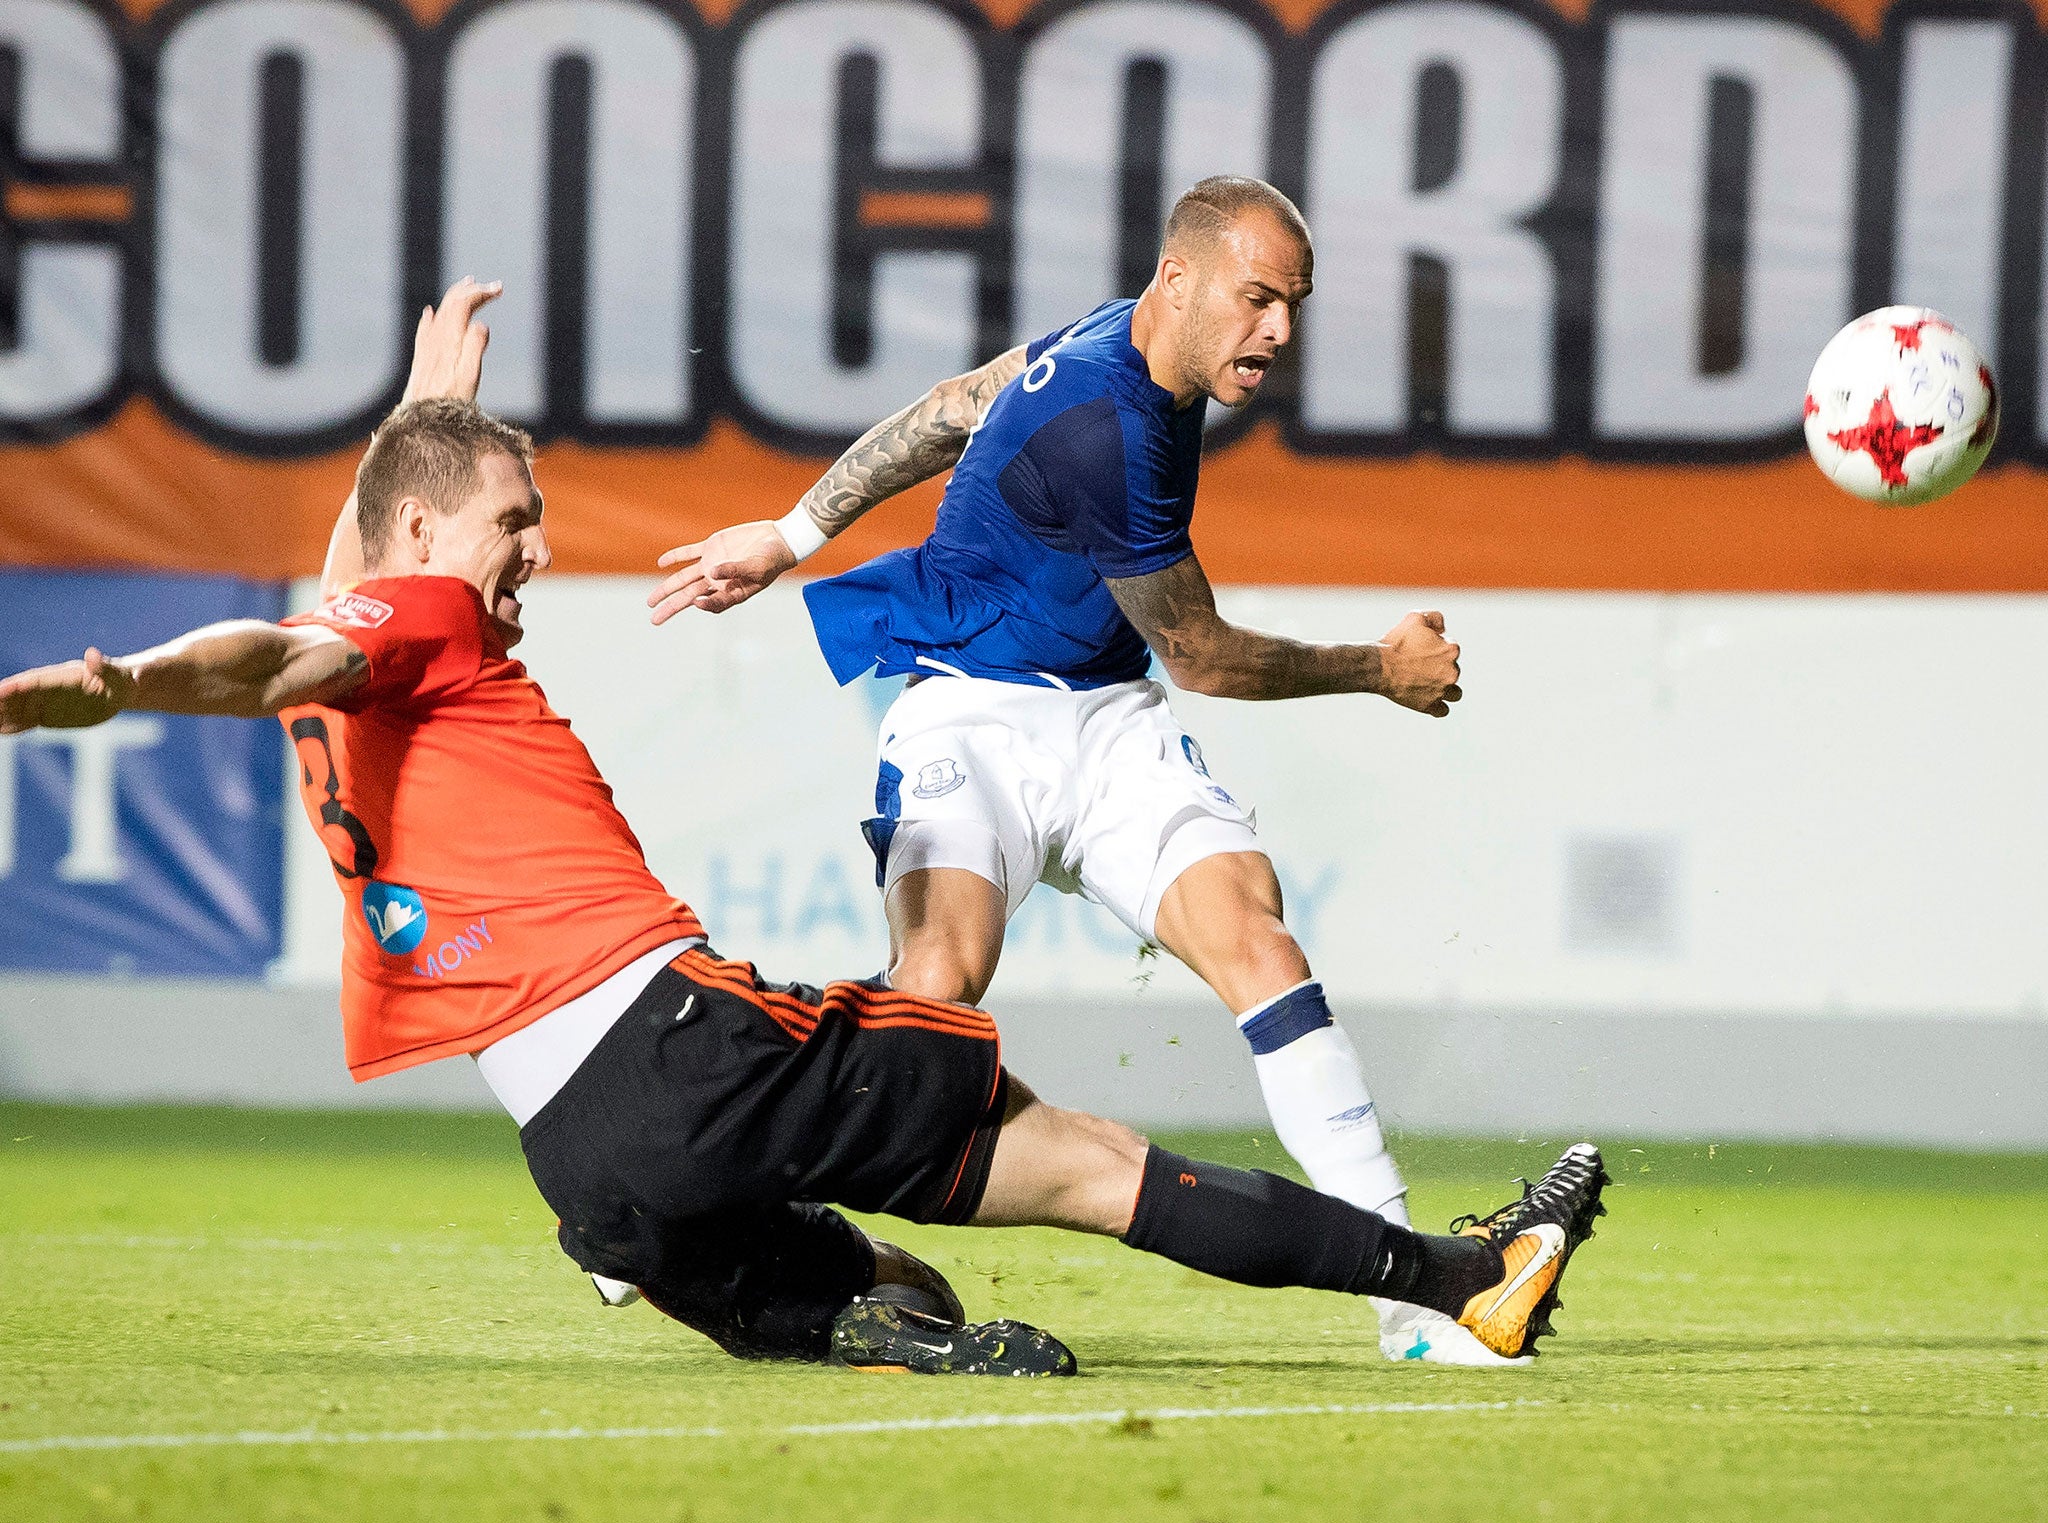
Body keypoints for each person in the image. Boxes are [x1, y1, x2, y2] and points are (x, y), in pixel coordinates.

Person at [0, 280, 1610, 1375]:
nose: (536, 554)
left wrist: (414, 415)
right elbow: (273, 645)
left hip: (581, 1164)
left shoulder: (358, 655)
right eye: (512, 521)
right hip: (681, 1048)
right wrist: (117, 681)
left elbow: (309, 617)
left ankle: (819, 1311)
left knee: (903, 1289)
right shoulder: (417, 622)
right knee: (1094, 1165)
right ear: (426, 536)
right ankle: (1452, 1286)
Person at [645, 177, 1492, 1364]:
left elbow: (949, 408)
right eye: (1258, 300)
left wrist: (789, 537)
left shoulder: (1115, 332)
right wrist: (1377, 669)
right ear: (1180, 280)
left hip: (1103, 723)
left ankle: (1420, 1305)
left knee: (1259, 944)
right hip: (964, 713)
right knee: (937, 985)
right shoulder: (1107, 425)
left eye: (1293, 306)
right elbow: (1199, 655)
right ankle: (690, 1191)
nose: (1279, 334)